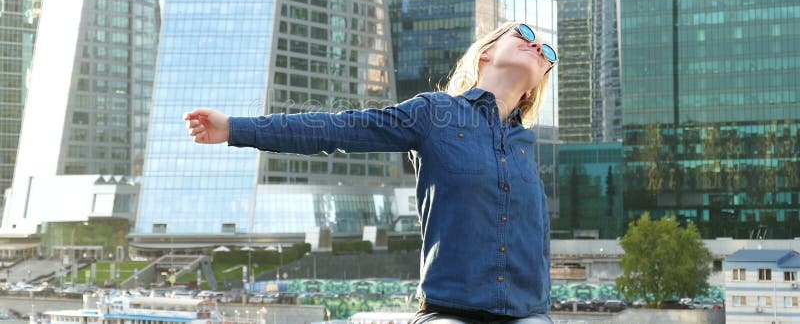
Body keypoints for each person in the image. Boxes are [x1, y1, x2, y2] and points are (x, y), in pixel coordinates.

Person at [184, 21, 558, 324]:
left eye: (547, 52)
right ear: (487, 52)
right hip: (450, 312)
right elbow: (337, 129)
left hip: (527, 314)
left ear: (535, 87)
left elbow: (537, 243)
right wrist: (235, 128)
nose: (537, 46)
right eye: (524, 34)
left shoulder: (524, 146)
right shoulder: (433, 114)